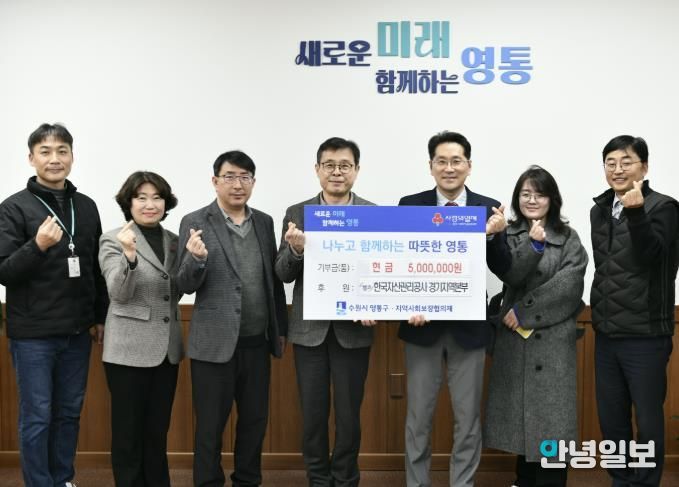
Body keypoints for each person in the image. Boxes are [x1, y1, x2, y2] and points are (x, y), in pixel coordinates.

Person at [398, 130, 511, 487]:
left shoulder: (488, 208)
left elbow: (504, 268)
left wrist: (493, 235)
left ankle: (462, 484)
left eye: (456, 161)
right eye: (442, 161)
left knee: (467, 419)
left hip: (468, 329)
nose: (449, 168)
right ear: (431, 166)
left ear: (469, 165)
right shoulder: (409, 206)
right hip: (421, 327)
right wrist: (406, 304)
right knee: (418, 418)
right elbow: (398, 262)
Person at [0, 123, 108, 487]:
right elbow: (5, 272)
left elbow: (94, 267)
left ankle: (63, 480)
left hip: (77, 332)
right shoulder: (13, 208)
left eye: (62, 151)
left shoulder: (86, 206)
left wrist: (99, 317)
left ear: (72, 157)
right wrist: (38, 246)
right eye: (45, 152)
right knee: (38, 417)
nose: (54, 158)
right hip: (34, 335)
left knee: (68, 414)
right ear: (31, 158)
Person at [176, 150, 288, 487]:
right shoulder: (195, 221)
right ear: (215, 181)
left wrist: (279, 329)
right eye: (229, 177)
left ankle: (247, 481)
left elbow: (272, 281)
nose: (237, 185)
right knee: (210, 426)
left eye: (244, 177)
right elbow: (184, 284)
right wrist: (196, 260)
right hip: (214, 345)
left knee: (254, 422)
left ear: (253, 182)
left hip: (257, 342)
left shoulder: (264, 222)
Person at [275, 137, 375, 487]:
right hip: (310, 331)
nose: (337, 172)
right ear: (317, 169)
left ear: (356, 171)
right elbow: (282, 273)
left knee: (349, 416)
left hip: (354, 330)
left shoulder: (372, 213)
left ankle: (346, 478)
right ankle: (318, 479)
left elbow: (379, 270)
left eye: (344, 165)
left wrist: (375, 302)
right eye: (329, 165)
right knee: (313, 415)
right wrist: (296, 251)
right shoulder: (298, 213)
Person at [483, 165, 588, 487]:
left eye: (539, 194)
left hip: (553, 342)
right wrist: (533, 246)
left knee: (551, 421)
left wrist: (524, 310)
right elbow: (511, 275)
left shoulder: (568, 237)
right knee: (522, 420)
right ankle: (524, 480)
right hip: (516, 342)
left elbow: (570, 284)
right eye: (525, 194)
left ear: (552, 199)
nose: (532, 200)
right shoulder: (508, 233)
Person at [591, 135, 678, 486]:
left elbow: (651, 256)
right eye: (610, 163)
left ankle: (644, 483)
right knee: (612, 421)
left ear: (644, 167)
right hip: (606, 334)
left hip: (646, 335)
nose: (617, 169)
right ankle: (621, 480)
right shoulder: (599, 210)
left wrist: (636, 211)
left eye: (626, 162)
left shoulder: (664, 208)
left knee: (648, 421)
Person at [99, 171, 189, 486]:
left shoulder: (175, 241)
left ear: (166, 203)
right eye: (141, 198)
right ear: (129, 203)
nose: (150, 204)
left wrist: (197, 261)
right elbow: (118, 292)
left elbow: (176, 290)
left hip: (167, 350)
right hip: (127, 351)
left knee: (156, 432)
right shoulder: (113, 238)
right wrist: (130, 256)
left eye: (157, 197)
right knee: (128, 433)